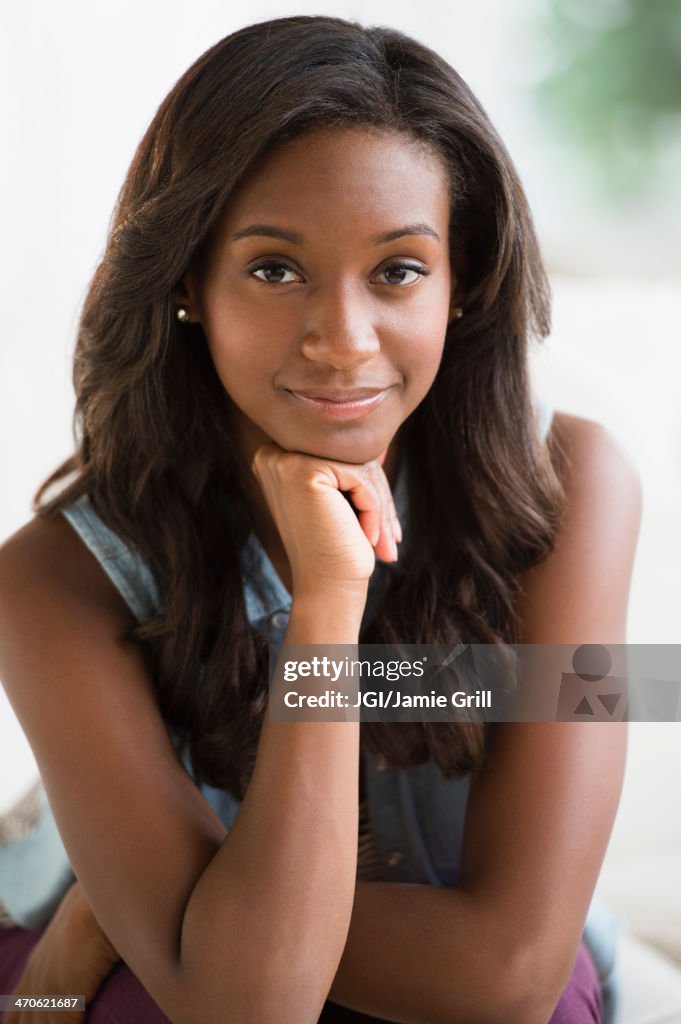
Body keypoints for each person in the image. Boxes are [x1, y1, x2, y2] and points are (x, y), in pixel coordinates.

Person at [0, 14, 640, 1024]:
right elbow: (244, 1004)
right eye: (274, 268)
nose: (343, 341)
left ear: (460, 280)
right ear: (185, 282)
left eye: (397, 270)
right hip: (145, 985)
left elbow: (507, 973)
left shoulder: (580, 484)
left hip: (383, 946)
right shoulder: (51, 578)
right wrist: (327, 607)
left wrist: (167, 914)